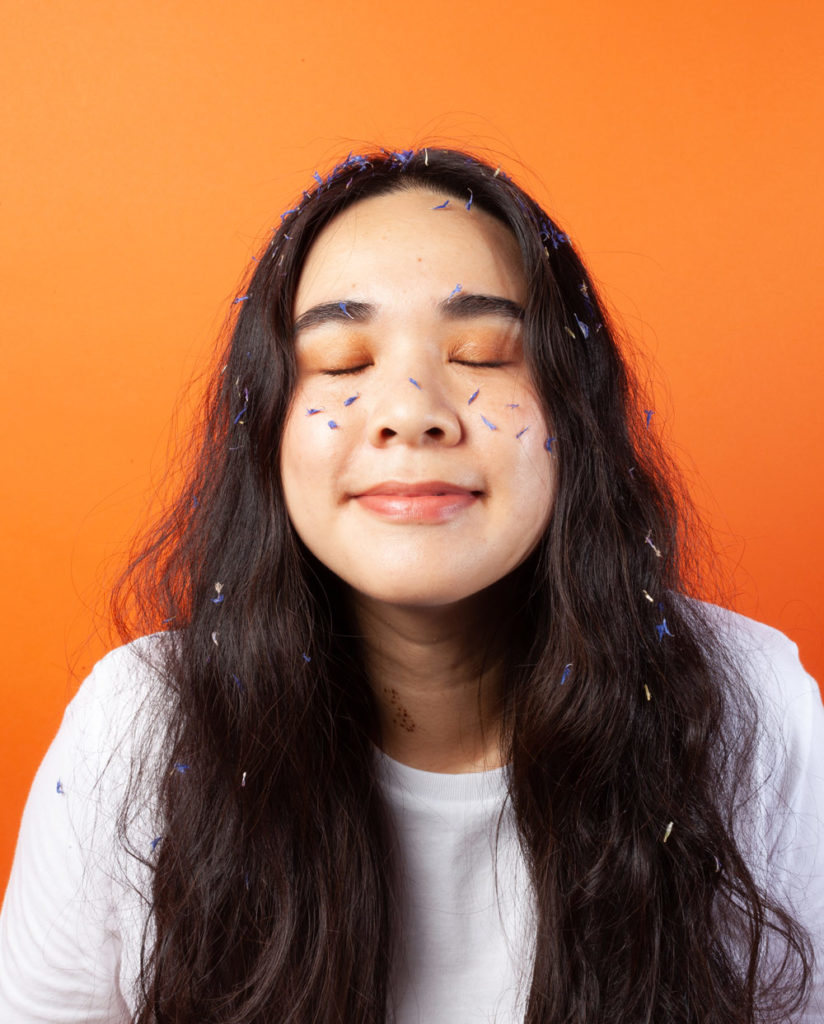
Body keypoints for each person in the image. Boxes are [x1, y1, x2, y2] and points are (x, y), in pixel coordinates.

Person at [1, 147, 822, 1023]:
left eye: (480, 353)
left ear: (574, 415)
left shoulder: (752, 704)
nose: (411, 408)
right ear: (267, 430)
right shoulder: (135, 722)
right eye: (343, 363)